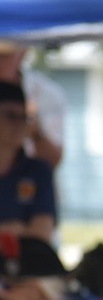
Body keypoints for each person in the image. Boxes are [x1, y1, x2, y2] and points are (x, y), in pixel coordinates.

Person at [0, 81, 55, 243]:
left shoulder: (38, 171)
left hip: (26, 265)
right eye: (10, 116)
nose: (19, 124)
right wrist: (17, 231)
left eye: (25, 117)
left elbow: (43, 233)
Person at [0, 42, 66, 169]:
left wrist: (35, 132)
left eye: (4, 55)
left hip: (27, 184)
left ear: (23, 51)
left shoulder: (45, 93)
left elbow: (52, 161)